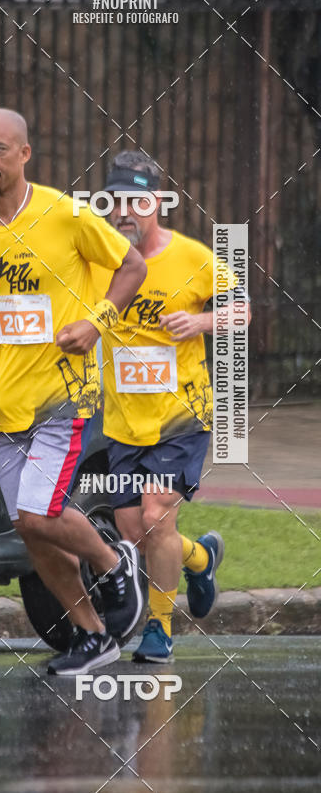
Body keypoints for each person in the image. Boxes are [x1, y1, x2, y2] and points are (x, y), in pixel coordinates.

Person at [0, 108, 147, 676]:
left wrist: (94, 324)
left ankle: (117, 565)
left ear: (23, 154)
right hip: (8, 401)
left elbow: (132, 267)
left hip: (65, 393)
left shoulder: (65, 214)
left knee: (41, 512)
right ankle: (93, 635)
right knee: (28, 527)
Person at [92, 151, 251, 663]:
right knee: (134, 530)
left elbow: (242, 311)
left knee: (157, 517)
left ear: (157, 202)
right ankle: (201, 558)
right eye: (116, 200)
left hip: (183, 414)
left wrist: (201, 323)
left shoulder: (193, 258)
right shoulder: (98, 261)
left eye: (137, 201)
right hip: (122, 420)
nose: (125, 212)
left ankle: (158, 630)